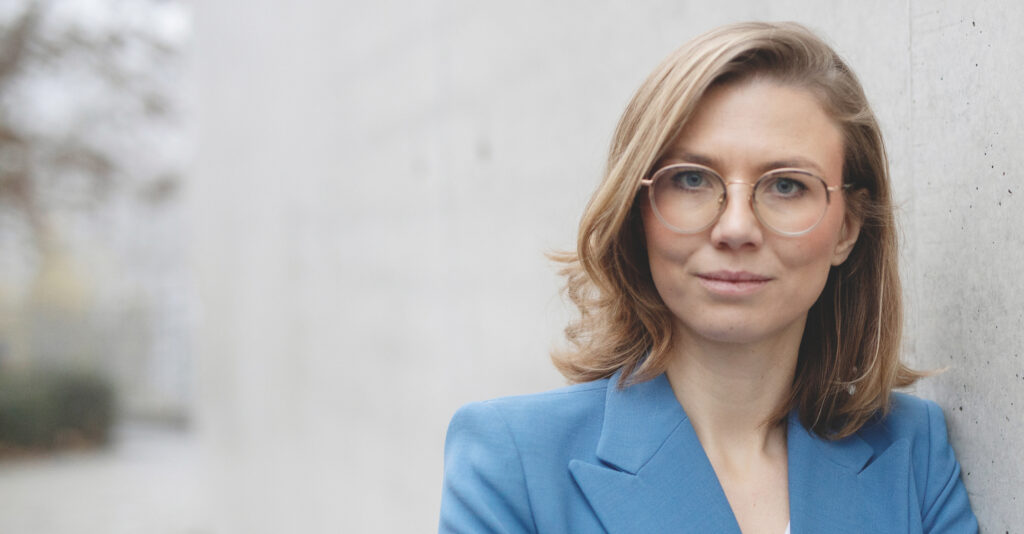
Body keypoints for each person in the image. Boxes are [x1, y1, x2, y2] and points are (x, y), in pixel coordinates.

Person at [438, 21, 978, 534]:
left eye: (786, 185)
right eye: (692, 180)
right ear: (638, 212)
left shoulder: (912, 453)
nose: (736, 228)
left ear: (847, 228)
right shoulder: (514, 460)